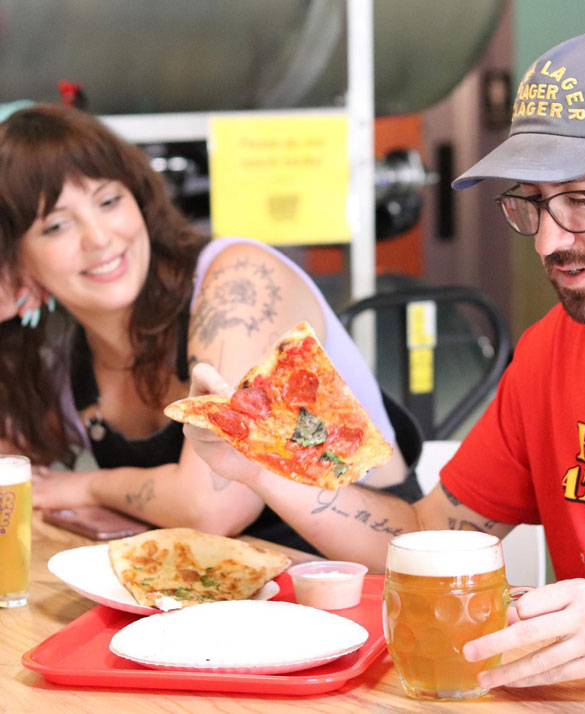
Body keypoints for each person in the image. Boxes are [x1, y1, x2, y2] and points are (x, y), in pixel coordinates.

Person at [185, 26, 585, 687]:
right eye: (533, 202)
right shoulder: (553, 349)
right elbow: (416, 536)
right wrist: (260, 468)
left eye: (582, 199)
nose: (549, 240)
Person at [0, 103, 418, 554]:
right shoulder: (66, 355)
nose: (99, 237)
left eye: (109, 201)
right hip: (234, 595)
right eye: (57, 225)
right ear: (15, 258)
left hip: (375, 579)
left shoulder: (235, 282)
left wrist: (88, 487)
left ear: (139, 200)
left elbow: (213, 506)